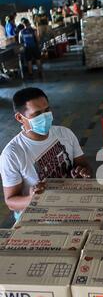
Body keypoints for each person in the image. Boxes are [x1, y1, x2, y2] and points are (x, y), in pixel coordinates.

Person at [0, 87, 92, 221]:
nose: (45, 117)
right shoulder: (12, 154)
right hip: (37, 216)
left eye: (47, 110)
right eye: (37, 114)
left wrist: (83, 172)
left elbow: (84, 165)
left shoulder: (64, 133)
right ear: (20, 117)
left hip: (69, 202)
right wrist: (32, 198)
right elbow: (11, 202)